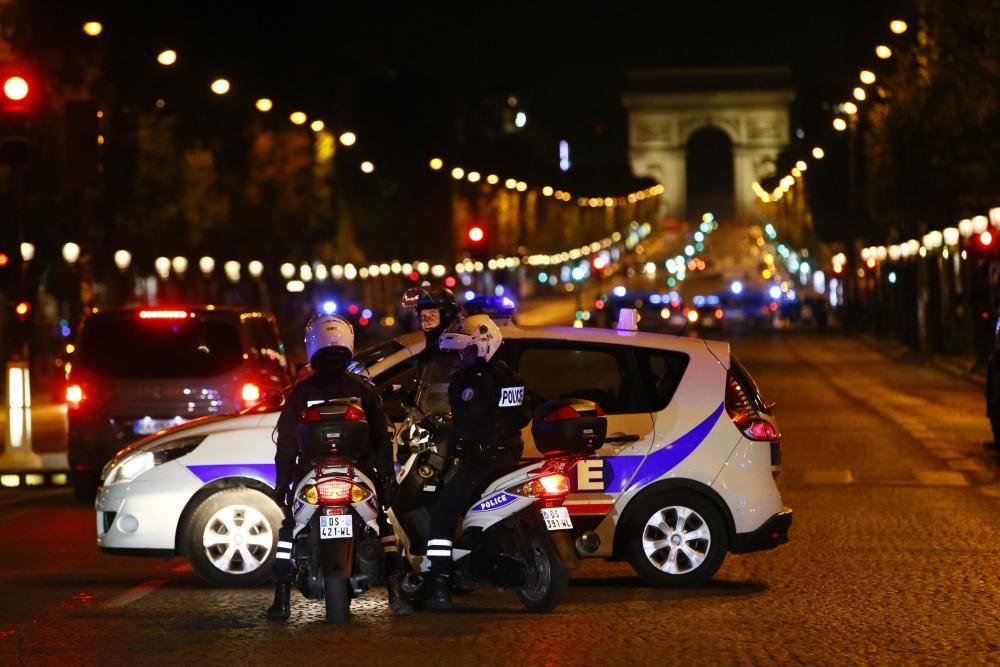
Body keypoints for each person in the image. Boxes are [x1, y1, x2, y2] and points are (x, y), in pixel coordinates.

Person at [266, 313, 412, 620]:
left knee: (290, 530)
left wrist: (282, 483)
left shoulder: (301, 393)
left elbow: (286, 444)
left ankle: (281, 600)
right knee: (381, 523)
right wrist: (386, 477)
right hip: (358, 471)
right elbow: (381, 440)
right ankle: (396, 594)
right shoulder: (364, 389)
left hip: (311, 472)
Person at [423, 314, 532, 611]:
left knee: (443, 511)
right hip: (509, 455)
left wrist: (451, 427)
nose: (462, 356)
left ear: (484, 344)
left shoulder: (472, 382)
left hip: (481, 461)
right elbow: (523, 415)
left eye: (466, 350)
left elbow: (467, 421)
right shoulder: (511, 377)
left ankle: (438, 583)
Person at [412, 288, 460, 416]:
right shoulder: (427, 353)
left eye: (432, 315)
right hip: (432, 422)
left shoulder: (457, 351)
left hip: (452, 423)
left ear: (446, 316)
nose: (426, 321)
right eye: (423, 316)